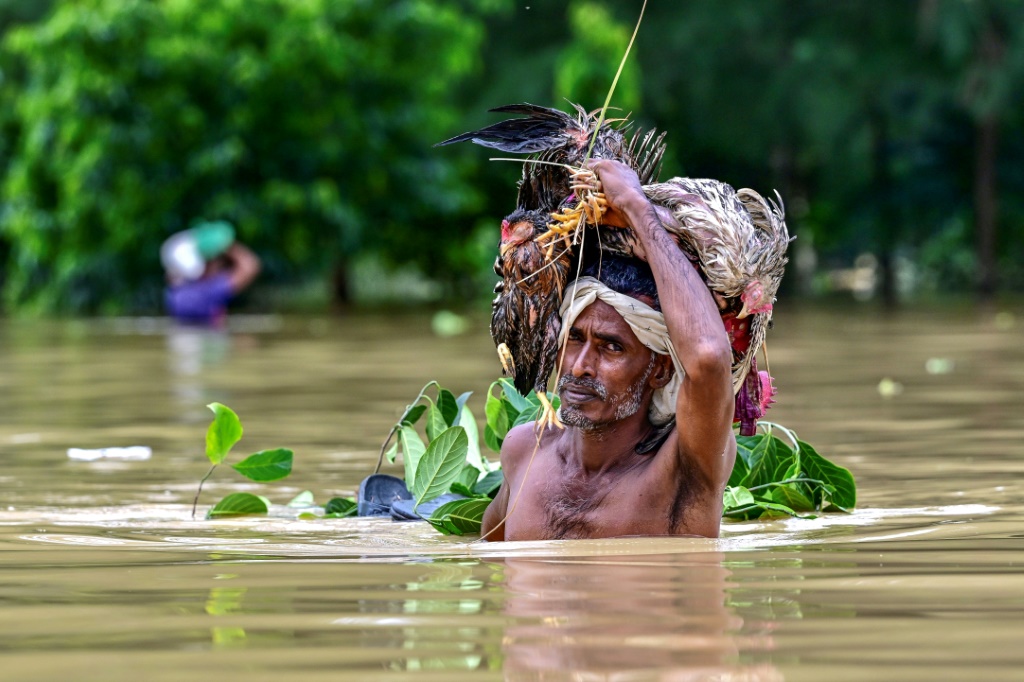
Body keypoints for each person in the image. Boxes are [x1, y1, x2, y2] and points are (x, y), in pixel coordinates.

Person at [481, 159, 736, 540]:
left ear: (661, 369)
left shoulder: (684, 464)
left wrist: (635, 207)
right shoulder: (524, 451)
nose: (581, 366)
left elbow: (708, 358)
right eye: (575, 339)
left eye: (611, 347)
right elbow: (486, 564)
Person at [160, 221, 261, 325]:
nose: (222, 266)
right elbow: (250, 266)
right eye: (219, 261)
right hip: (210, 338)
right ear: (207, 265)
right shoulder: (207, 292)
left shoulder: (176, 294)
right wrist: (225, 243)